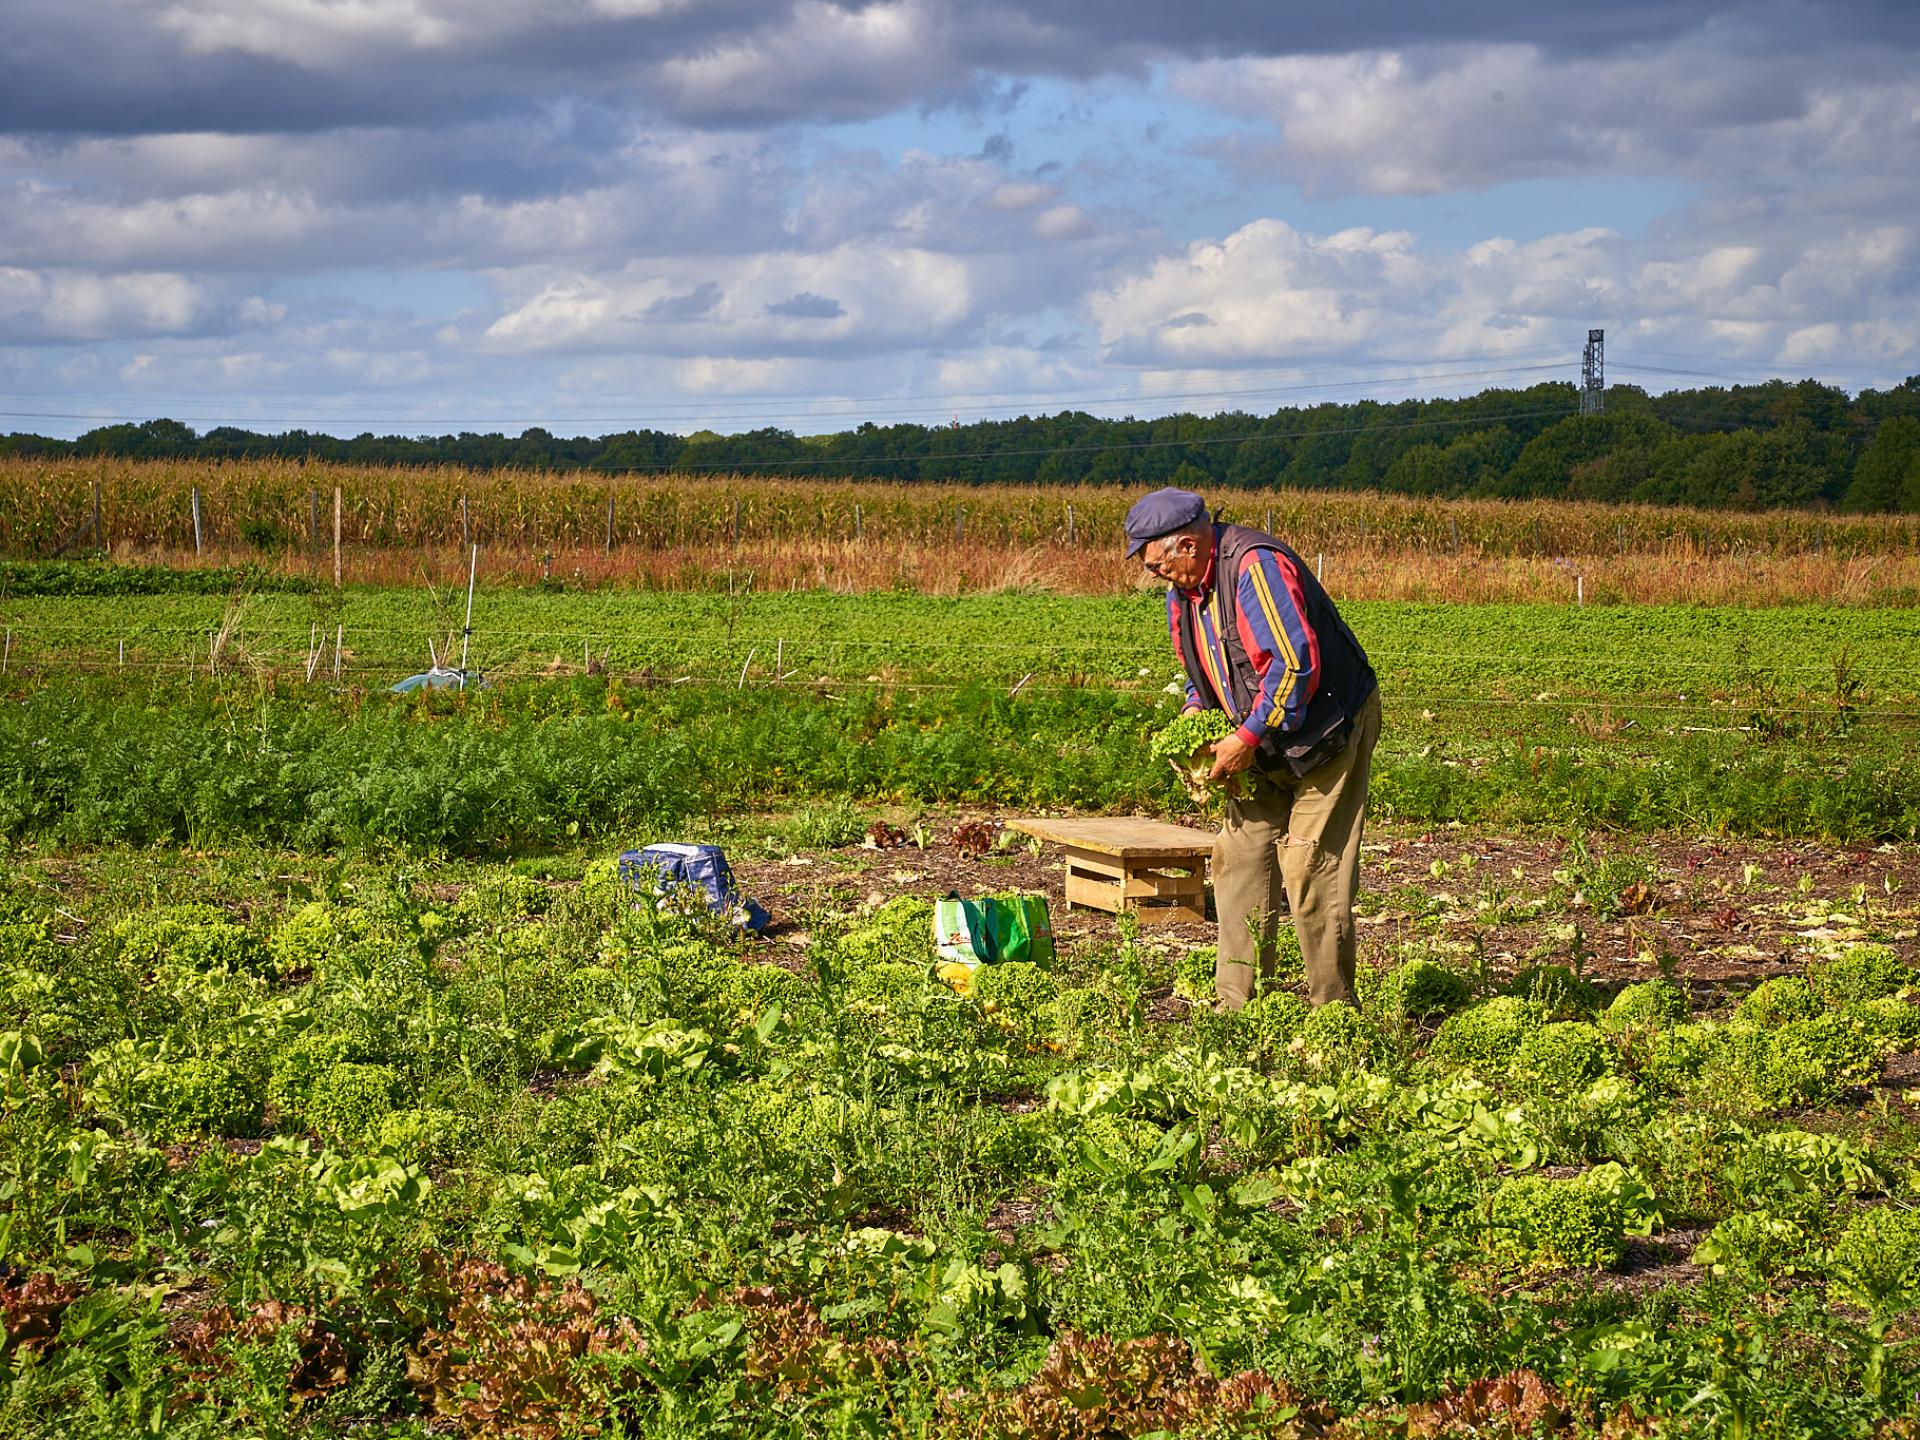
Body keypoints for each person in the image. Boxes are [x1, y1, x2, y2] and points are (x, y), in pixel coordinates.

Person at [1125, 487, 1381, 1011]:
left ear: (1187, 546)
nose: (1155, 576)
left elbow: (1295, 668)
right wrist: (1198, 717)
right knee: (1238, 858)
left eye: (1157, 565)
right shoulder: (1185, 597)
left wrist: (1245, 738)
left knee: (1310, 866)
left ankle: (1332, 1013)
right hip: (1265, 733)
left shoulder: (1255, 569)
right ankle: (1238, 1006)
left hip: (1327, 726)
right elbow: (1203, 677)